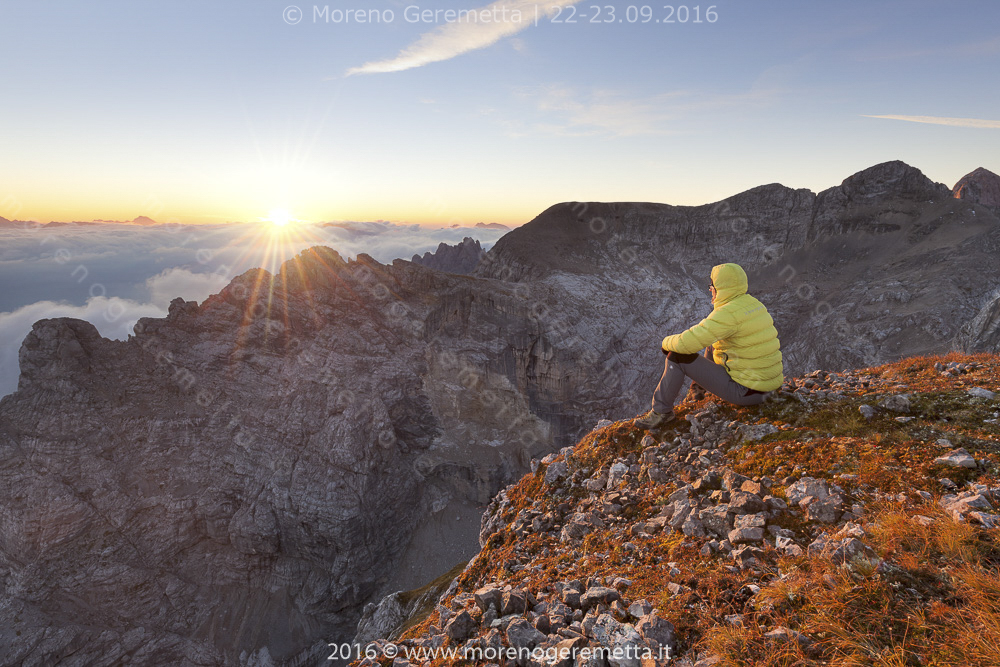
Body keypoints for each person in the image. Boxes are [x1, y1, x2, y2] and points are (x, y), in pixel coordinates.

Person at [636, 262, 783, 429]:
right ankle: (699, 390)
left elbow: (687, 344)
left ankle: (661, 413)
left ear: (721, 288)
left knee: (676, 356)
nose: (710, 289)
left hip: (747, 393)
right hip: (770, 389)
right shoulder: (753, 304)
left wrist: (665, 343)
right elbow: (706, 335)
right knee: (715, 341)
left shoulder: (727, 314)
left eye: (712, 285)